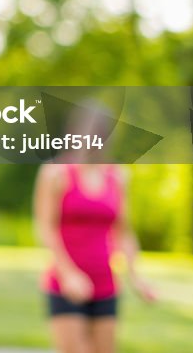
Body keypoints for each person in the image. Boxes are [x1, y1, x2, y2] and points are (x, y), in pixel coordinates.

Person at [33, 101, 157, 353]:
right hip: (66, 284)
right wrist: (68, 274)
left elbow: (124, 232)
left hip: (105, 284)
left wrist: (136, 277)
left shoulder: (117, 176)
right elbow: (45, 228)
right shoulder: (55, 173)